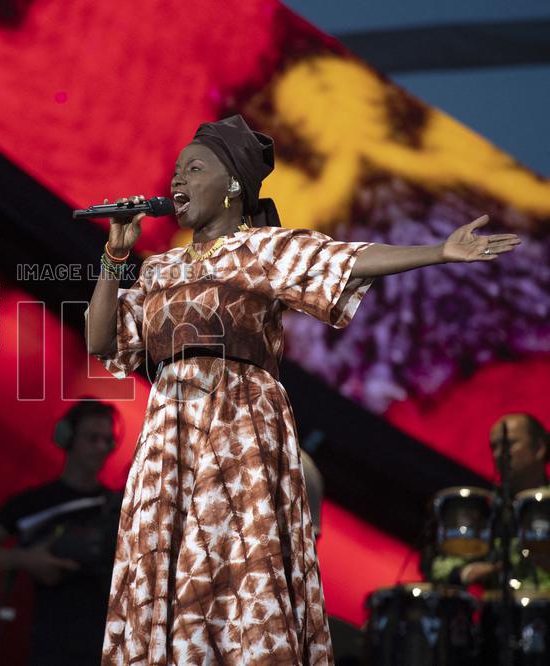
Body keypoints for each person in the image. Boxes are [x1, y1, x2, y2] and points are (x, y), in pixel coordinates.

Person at [85, 114, 521, 665]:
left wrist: (438, 251)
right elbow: (104, 341)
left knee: (237, 567)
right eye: (175, 171)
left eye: (194, 169)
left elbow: (345, 259)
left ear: (234, 187)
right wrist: (114, 257)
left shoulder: (265, 250)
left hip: (238, 424)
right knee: (168, 565)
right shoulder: (159, 269)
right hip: (170, 433)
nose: (178, 181)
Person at [0, 400, 123, 666]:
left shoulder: (119, 508)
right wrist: (26, 559)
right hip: (50, 646)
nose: (101, 448)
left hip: (107, 647)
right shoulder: (33, 503)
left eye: (107, 440)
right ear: (67, 438)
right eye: (92, 438)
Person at [427, 413, 549, 589]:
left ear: (539, 448)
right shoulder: (485, 507)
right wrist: (465, 572)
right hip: (498, 610)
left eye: (509, 444)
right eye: (494, 447)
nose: (500, 454)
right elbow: (440, 562)